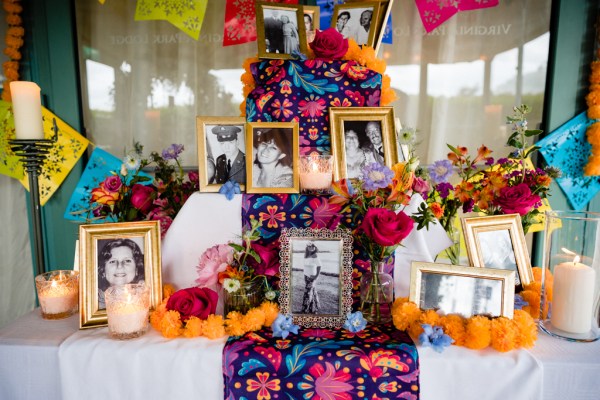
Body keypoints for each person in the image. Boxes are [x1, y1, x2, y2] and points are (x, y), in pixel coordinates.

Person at [97, 238, 145, 309]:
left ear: (137, 269)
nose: (120, 266)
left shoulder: (147, 297)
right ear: (103, 270)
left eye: (127, 261)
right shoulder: (93, 303)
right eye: (113, 261)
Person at [301, 241, 321, 313]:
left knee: (307, 294)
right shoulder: (306, 255)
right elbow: (306, 266)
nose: (311, 248)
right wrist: (305, 275)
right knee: (312, 292)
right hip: (306, 276)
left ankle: (305, 310)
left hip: (312, 277)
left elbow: (319, 266)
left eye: (313, 246)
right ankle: (313, 309)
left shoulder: (315, 255)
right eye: (310, 246)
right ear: (307, 247)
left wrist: (316, 276)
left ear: (315, 247)